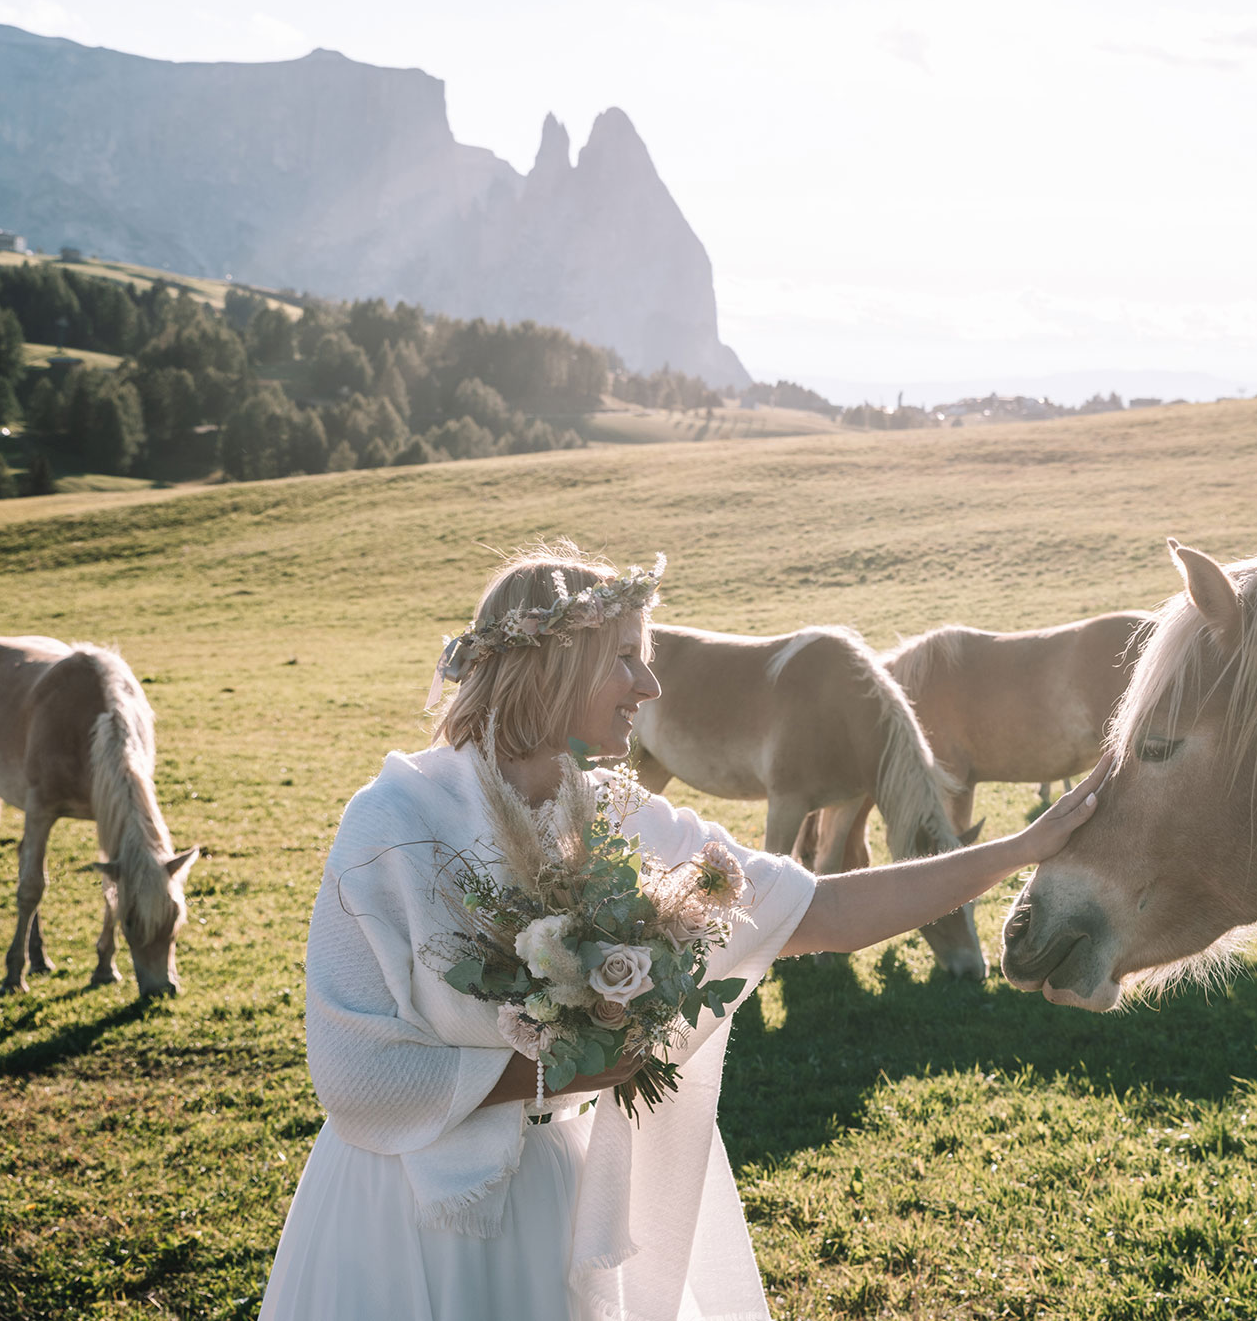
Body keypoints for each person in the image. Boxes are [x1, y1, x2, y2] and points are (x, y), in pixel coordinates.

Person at [259, 542, 1102, 1321]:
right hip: (402, 1221)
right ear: (555, 664)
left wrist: (1021, 849)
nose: (650, 689)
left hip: (554, 1196)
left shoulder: (622, 820)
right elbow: (353, 1073)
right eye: (625, 660)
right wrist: (554, 1070)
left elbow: (827, 913)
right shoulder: (393, 823)